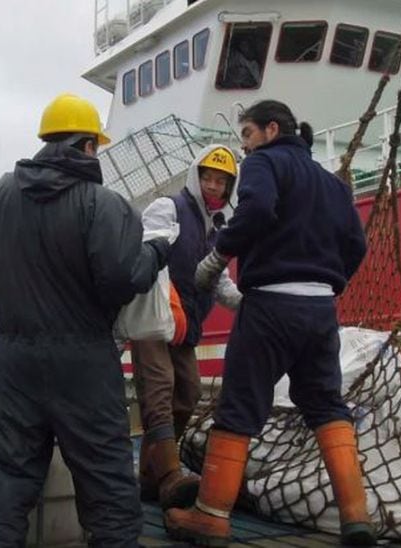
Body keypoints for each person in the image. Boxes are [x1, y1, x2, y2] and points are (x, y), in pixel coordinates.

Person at [164, 100, 372, 546]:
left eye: (246, 135)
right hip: (320, 312)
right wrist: (328, 285)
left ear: (270, 130)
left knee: (239, 407)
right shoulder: (333, 184)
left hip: (271, 307)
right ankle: (356, 517)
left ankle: (211, 517)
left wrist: (218, 256)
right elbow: (357, 244)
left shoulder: (264, 163)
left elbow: (256, 211)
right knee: (326, 406)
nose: (244, 147)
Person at [0, 93, 170, 547]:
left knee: (5, 477)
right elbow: (122, 279)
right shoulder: (103, 204)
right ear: (86, 147)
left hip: (14, 361)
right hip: (84, 360)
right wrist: (156, 252)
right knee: (106, 482)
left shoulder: (2, 193)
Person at [132, 145, 242, 510]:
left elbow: (220, 282)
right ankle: (169, 475)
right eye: (208, 177)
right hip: (153, 317)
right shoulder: (168, 208)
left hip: (184, 325)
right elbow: (147, 249)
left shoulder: (218, 227)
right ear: (196, 177)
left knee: (190, 392)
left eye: (221, 181)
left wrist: (248, 303)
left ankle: (149, 478)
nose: (213, 185)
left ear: (229, 187)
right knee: (159, 388)